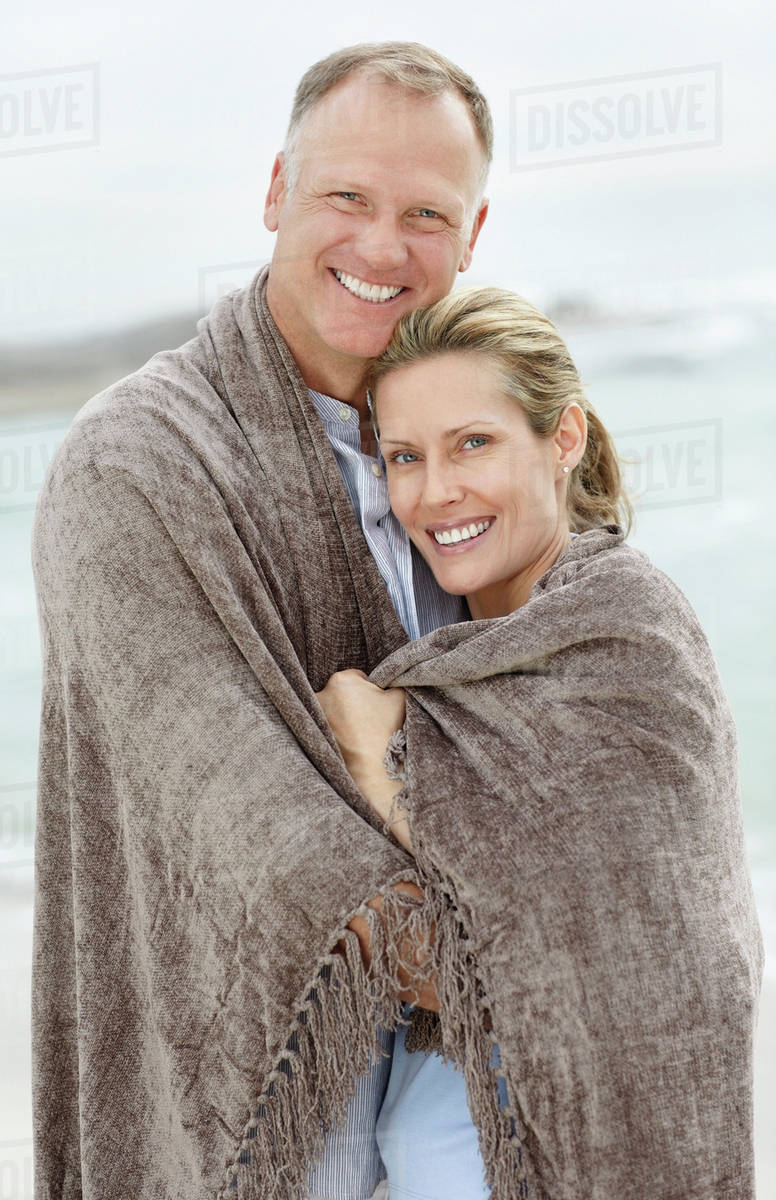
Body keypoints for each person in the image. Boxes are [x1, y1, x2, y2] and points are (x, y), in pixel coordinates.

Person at [31, 42, 492, 1200]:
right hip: (260, 1083)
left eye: (425, 213)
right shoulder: (133, 463)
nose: (383, 247)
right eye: (347, 195)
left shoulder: (484, 450)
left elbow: (581, 696)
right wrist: (538, 955)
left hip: (469, 1073)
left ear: (473, 236)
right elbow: (233, 806)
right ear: (277, 191)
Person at [315, 286, 764, 1199]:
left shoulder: (627, 638)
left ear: (562, 440)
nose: (435, 492)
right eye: (405, 457)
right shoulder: (443, 670)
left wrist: (377, 767)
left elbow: (614, 947)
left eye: (472, 442)